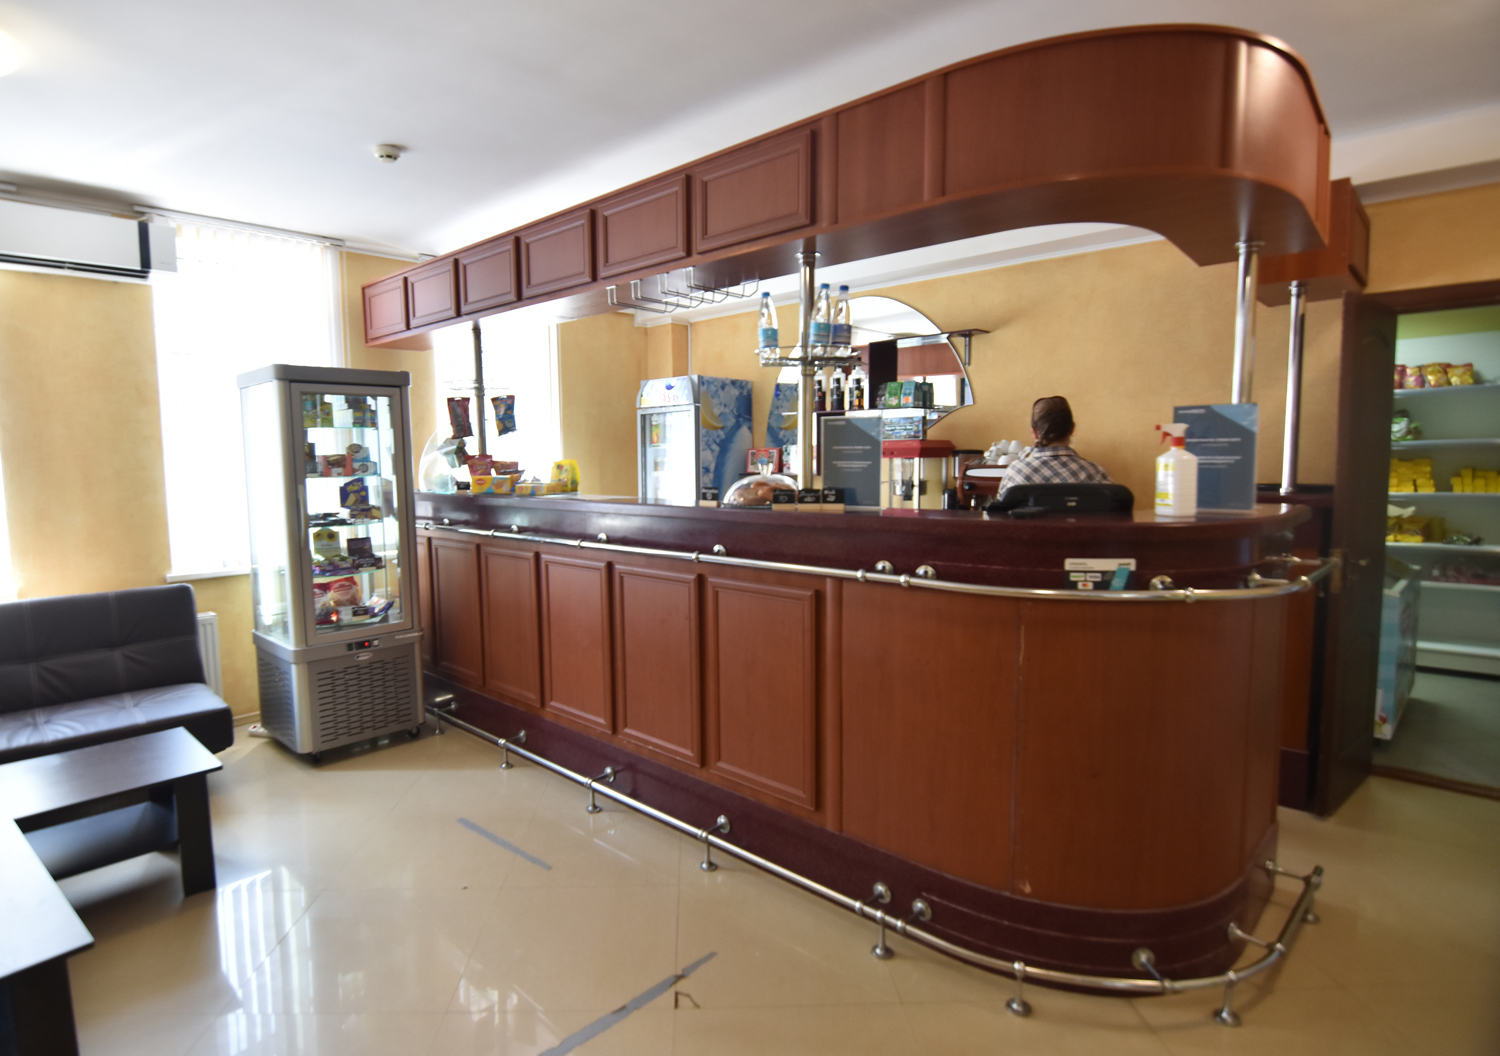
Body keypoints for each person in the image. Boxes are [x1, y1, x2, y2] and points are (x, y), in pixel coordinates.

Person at [995, 396, 1113, 501]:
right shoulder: (1095, 473)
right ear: (1072, 429)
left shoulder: (1016, 472)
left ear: (1034, 432)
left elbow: (1000, 514)